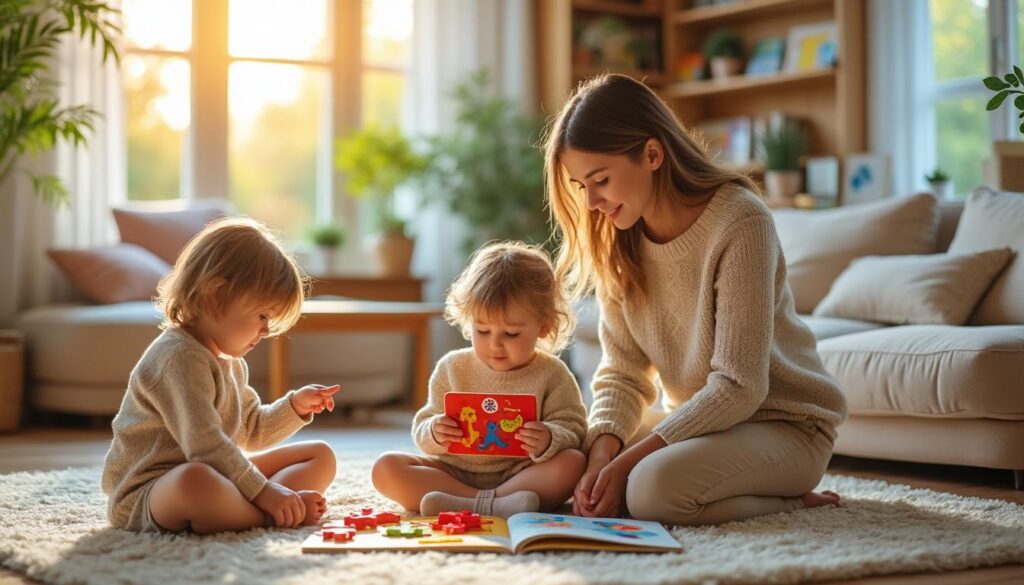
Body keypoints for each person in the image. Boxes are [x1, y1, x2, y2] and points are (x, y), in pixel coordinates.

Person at [543, 74, 846, 526]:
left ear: (651, 154)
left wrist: (624, 464)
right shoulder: (619, 240)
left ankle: (793, 504)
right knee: (569, 462)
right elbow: (623, 373)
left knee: (647, 489)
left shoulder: (741, 222)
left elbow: (740, 387)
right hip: (701, 426)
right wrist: (602, 449)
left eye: (600, 180)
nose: (591, 203)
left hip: (784, 427)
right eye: (580, 186)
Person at [102, 218, 340, 534]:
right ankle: (266, 516)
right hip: (151, 491)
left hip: (216, 472)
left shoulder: (230, 361)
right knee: (194, 481)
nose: (266, 331)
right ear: (217, 294)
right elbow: (205, 446)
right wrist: (265, 492)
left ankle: (258, 509)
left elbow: (251, 430)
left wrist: (294, 406)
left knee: (320, 455)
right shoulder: (179, 357)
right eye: (263, 316)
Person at [372, 241, 587, 519]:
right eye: (482, 330)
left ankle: (464, 504)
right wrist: (436, 432)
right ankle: (490, 504)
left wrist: (550, 438)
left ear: (543, 326)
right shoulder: (452, 367)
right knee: (385, 468)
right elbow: (423, 429)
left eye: (510, 334)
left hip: (521, 473)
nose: (495, 345)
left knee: (574, 462)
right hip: (454, 473)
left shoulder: (552, 373)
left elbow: (575, 430)